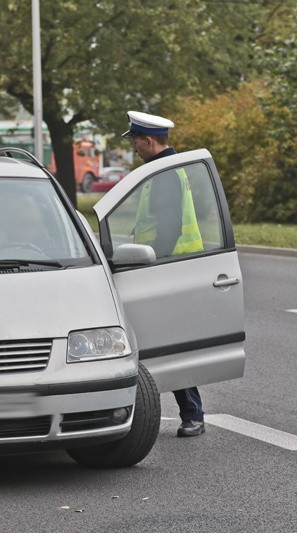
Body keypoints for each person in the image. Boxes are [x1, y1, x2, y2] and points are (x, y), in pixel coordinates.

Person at [122, 110, 206, 438]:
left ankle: (193, 413)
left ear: (149, 140)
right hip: (168, 266)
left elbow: (169, 226)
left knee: (166, 343)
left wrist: (152, 265)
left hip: (163, 268)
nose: (134, 148)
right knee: (164, 341)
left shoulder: (163, 174)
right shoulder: (164, 170)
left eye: (136, 142)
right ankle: (190, 412)